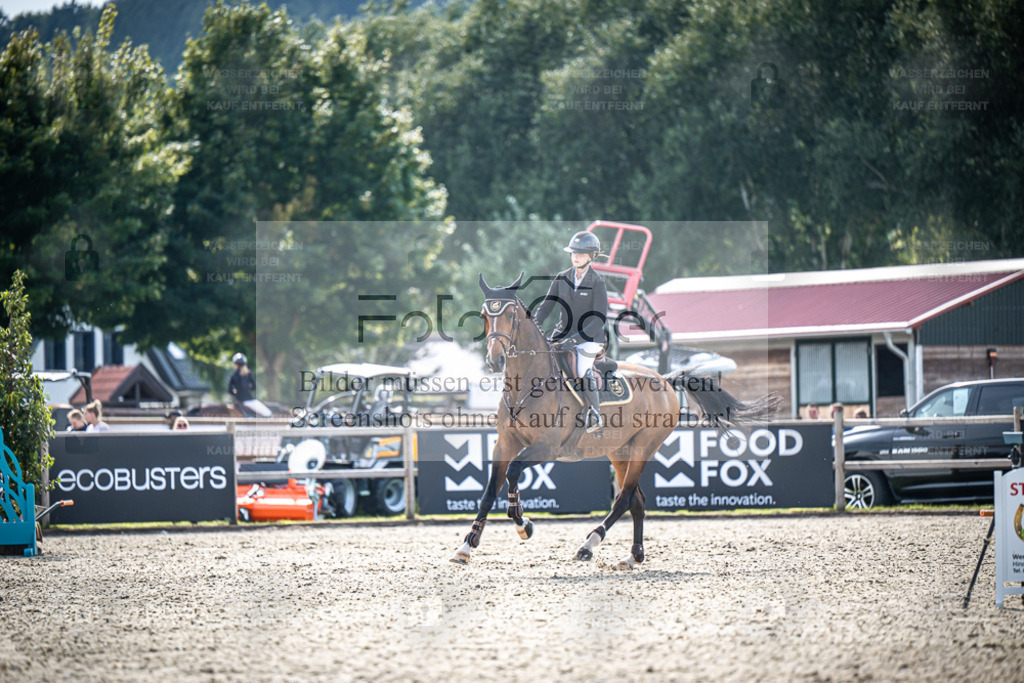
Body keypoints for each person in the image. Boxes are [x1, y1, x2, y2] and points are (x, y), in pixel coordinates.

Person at [533, 231, 609, 435]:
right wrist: (534, 327)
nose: (575, 257)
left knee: (582, 367)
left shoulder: (597, 282)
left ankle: (594, 414)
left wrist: (575, 339)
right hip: (562, 335)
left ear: (591, 256)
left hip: (589, 338)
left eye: (581, 254)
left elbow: (599, 318)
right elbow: (546, 308)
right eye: (573, 253)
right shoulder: (561, 278)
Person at [228, 353, 273, 417]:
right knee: (268, 413)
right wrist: (248, 390)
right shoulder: (248, 374)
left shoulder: (233, 376)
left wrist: (237, 393)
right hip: (249, 400)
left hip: (238, 401)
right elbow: (254, 387)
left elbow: (230, 390)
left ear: (235, 364)